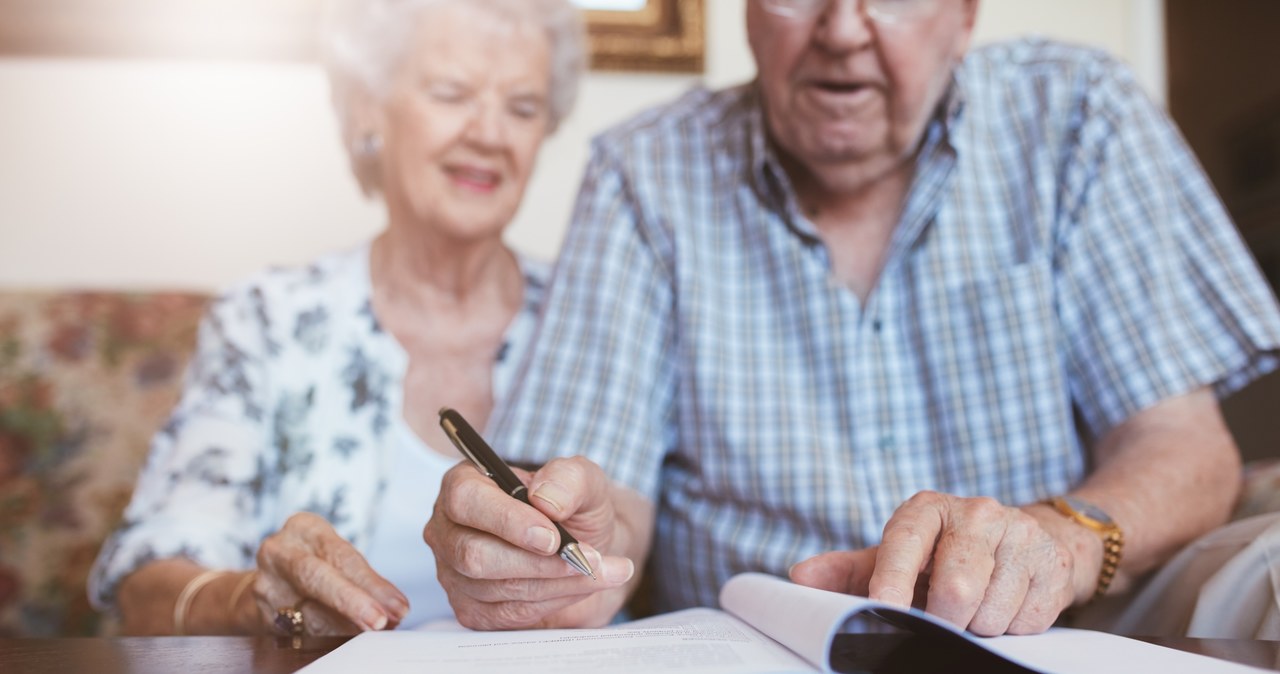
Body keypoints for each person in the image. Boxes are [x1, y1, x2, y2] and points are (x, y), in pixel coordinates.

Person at [424, 0, 1280, 636]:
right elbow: (609, 511)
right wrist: (558, 548)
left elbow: (1186, 448)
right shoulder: (641, 172)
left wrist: (1061, 540)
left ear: (966, 14)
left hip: (1052, 647)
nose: (841, 28)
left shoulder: (1079, 115)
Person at [87, 0, 585, 636]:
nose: (490, 134)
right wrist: (252, 599)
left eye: (522, 107)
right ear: (368, 108)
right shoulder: (268, 319)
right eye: (452, 92)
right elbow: (148, 586)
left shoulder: (595, 313)